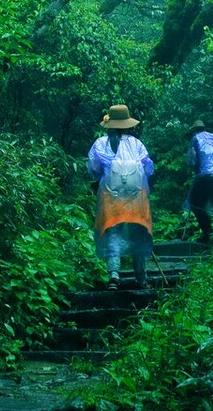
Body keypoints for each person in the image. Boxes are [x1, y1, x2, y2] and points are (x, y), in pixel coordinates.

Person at [87, 104, 155, 289]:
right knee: (138, 232)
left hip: (111, 196)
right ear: (127, 124)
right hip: (136, 197)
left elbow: (93, 170)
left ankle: (114, 276)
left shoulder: (100, 143)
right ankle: (141, 278)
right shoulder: (136, 144)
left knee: (112, 231)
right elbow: (148, 168)